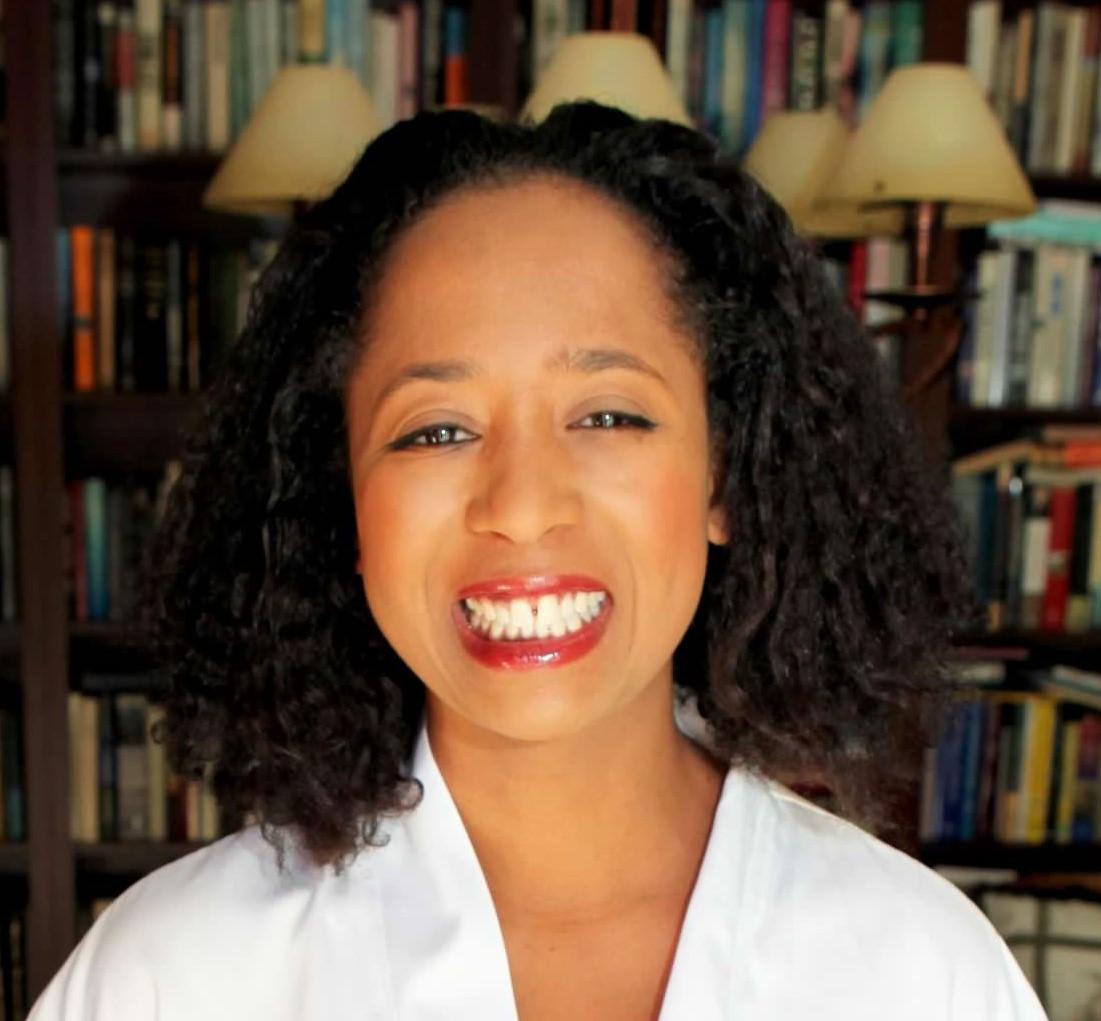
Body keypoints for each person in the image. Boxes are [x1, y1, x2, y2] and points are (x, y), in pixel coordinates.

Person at [29, 101, 1047, 1020]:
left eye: (609, 413)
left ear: (727, 478)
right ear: (342, 501)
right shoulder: (170, 978)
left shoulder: (922, 973)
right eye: (434, 430)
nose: (520, 507)